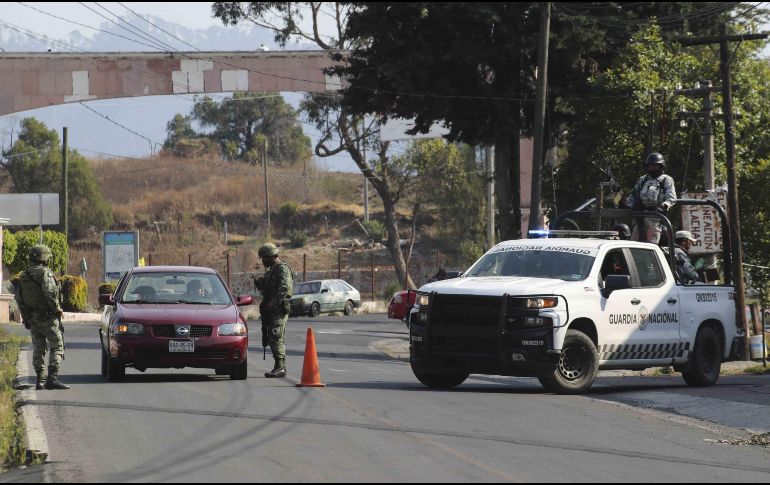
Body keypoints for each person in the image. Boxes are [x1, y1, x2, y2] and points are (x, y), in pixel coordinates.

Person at [14, 245, 69, 390]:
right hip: (48, 317)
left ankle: (40, 380)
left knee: (38, 348)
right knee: (57, 346)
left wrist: (26, 318)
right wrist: (57, 309)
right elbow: (50, 293)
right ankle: (52, 379)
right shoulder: (45, 273)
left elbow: (19, 299)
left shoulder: (24, 275)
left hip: (32, 317)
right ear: (43, 257)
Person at [255, 243, 293, 378]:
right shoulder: (271, 270)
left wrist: (273, 303)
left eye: (264, 258)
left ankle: (280, 367)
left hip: (278, 308)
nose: (263, 261)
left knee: (276, 336)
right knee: (271, 337)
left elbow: (284, 288)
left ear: (271, 256)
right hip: (270, 309)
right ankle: (278, 366)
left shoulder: (282, 268)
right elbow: (268, 289)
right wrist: (261, 284)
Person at [627, 153, 677, 243]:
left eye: (654, 166)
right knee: (634, 241)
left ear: (661, 166)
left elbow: (671, 197)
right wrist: (629, 205)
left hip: (655, 216)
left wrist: (665, 205)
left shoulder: (666, 179)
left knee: (651, 242)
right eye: (649, 166)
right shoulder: (643, 179)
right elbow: (633, 195)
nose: (651, 168)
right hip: (640, 214)